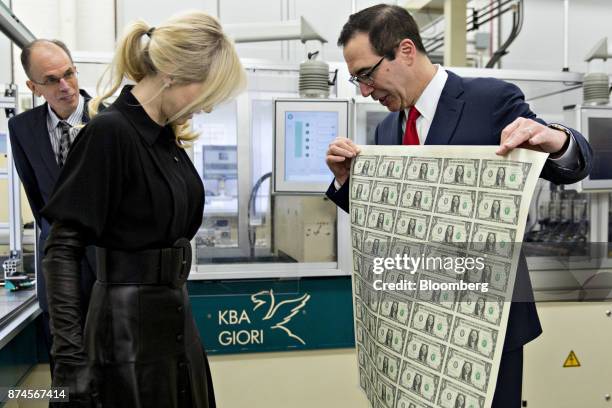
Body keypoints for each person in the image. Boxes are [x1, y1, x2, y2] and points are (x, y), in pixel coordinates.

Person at [325, 4, 592, 407]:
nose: (365, 90)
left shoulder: (491, 101)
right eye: (356, 79)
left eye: (367, 74)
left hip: (484, 328)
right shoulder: (387, 126)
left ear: (406, 51)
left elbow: (573, 167)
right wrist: (347, 183)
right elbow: (391, 216)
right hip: (410, 324)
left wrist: (555, 139)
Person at [40, 12, 245, 407]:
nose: (206, 108)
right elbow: (62, 250)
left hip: (175, 327)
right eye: (205, 91)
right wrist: (70, 364)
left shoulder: (166, 140)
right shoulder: (110, 133)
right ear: (170, 72)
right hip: (124, 337)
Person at [8, 39, 97, 376]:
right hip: (57, 271)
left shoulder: (109, 120)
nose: (65, 86)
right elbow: (38, 198)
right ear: (33, 86)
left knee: (110, 368)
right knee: (66, 368)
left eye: (69, 74)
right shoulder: (22, 128)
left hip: (108, 267)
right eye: (51, 80)